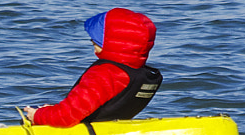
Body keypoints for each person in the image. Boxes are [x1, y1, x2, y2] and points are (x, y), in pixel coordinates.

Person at [25, 8, 163, 127]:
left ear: (113, 42)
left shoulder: (106, 73)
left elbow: (67, 116)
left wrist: (37, 115)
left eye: (96, 42)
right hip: (110, 133)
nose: (93, 46)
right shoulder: (140, 72)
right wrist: (53, 110)